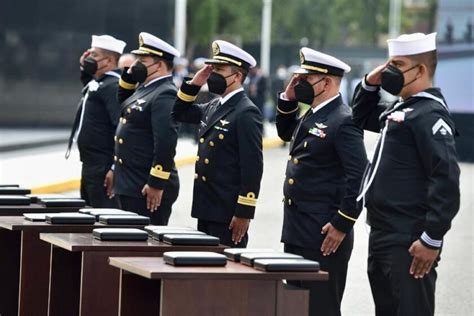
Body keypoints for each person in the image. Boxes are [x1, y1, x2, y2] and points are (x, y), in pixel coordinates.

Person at [351, 32, 460, 316]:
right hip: (383, 233)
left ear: (420, 70)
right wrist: (370, 81)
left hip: (409, 238)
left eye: (397, 65)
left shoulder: (430, 115)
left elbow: (446, 178)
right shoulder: (403, 109)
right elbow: (360, 116)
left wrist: (431, 238)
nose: (389, 71)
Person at [276, 47, 367, 316]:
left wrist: (342, 223)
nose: (299, 83)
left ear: (326, 82)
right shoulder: (313, 113)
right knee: (296, 306)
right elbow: (285, 133)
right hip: (297, 229)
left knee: (321, 307)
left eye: (306, 79)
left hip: (324, 234)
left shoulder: (343, 120)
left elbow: (359, 176)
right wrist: (288, 99)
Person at [172, 40, 263, 247]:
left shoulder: (246, 112)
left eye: (219, 70)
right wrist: (194, 84)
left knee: (228, 274)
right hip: (206, 206)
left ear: (237, 75)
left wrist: (244, 212)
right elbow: (179, 113)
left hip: (228, 211)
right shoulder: (213, 105)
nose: (212, 74)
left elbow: (252, 167)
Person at [104, 32, 180, 225]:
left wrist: (156, 183)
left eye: (142, 60)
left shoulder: (165, 94)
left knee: (143, 249)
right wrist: (116, 169)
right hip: (129, 182)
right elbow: (123, 103)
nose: (136, 65)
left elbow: (165, 143)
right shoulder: (145, 89)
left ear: (159, 65)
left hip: (145, 186)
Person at [65, 34, 126, 208]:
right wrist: (85, 67)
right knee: (89, 216)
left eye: (94, 55)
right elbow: (90, 85)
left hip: (103, 165)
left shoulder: (113, 86)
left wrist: (114, 168)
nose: (90, 58)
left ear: (108, 61)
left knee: (103, 218)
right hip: (90, 164)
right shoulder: (101, 83)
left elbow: (119, 128)